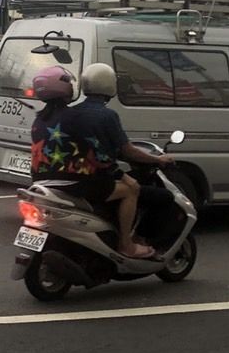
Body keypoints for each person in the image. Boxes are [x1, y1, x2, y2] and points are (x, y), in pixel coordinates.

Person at [30, 62, 174, 259]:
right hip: (76, 183)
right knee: (131, 189)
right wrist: (122, 175)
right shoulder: (76, 116)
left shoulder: (40, 119)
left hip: (40, 182)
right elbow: (96, 154)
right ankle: (126, 245)